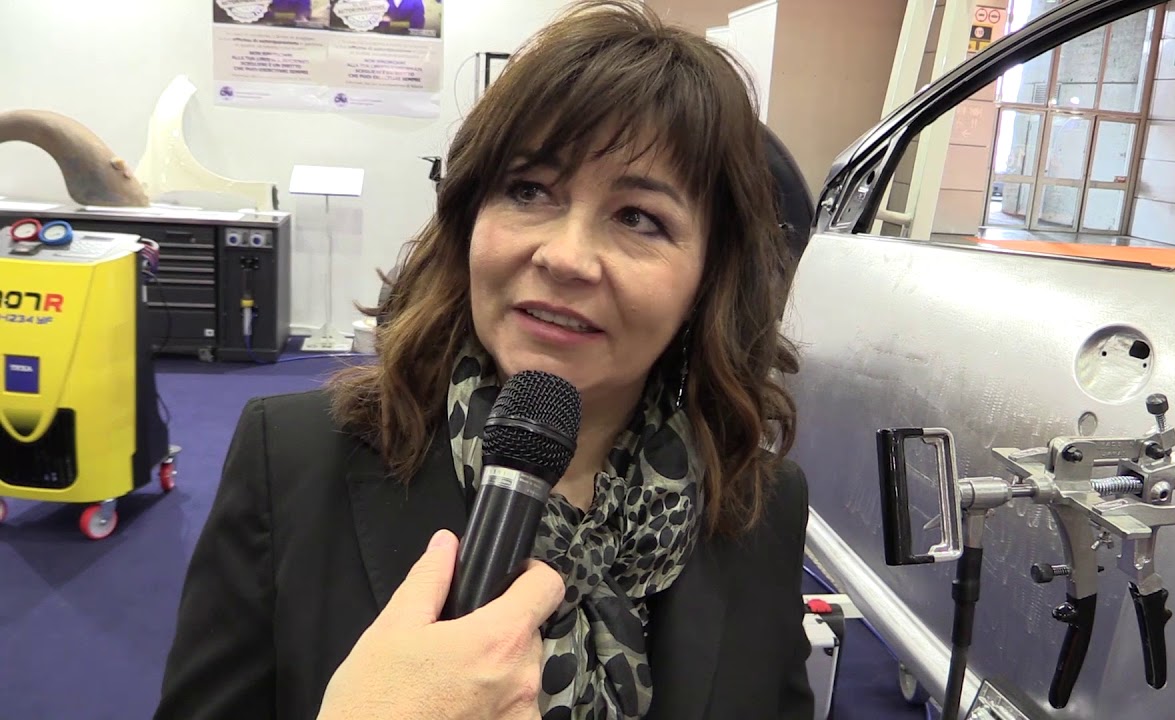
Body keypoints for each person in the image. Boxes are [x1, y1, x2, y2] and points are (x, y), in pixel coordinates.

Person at [153, 1, 813, 718]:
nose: (564, 257)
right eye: (529, 190)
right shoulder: (292, 461)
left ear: (710, 279)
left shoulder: (760, 506)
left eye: (638, 218)